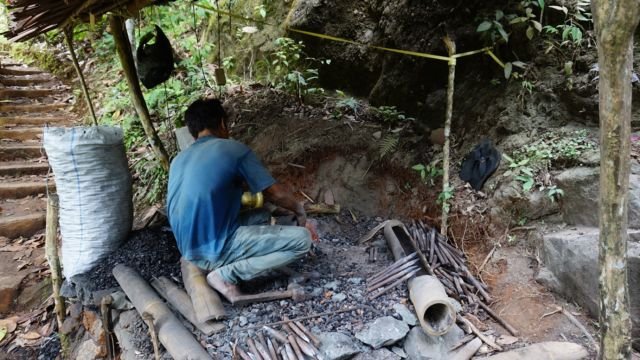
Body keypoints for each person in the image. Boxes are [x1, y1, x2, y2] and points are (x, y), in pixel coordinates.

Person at [167, 98, 313, 302]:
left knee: (261, 215)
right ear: (223, 124)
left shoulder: (178, 160)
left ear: (193, 131)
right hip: (214, 249)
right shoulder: (233, 149)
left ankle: (229, 263)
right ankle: (225, 275)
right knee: (302, 240)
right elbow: (275, 193)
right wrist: (298, 209)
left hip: (189, 249)